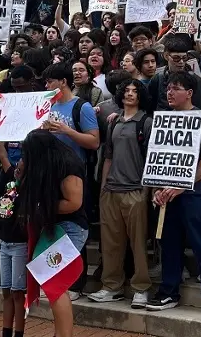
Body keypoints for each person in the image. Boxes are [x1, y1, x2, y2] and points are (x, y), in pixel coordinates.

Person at [146, 72, 201, 318]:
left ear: (190, 93)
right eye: (168, 89)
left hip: (197, 194)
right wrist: (157, 189)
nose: (169, 93)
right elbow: (158, 158)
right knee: (169, 244)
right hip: (168, 194)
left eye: (176, 88)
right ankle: (169, 292)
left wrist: (182, 186)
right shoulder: (163, 120)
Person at [88, 79, 153, 307]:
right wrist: (104, 187)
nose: (130, 94)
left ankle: (141, 288)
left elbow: (151, 159)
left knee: (138, 243)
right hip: (112, 190)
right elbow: (108, 156)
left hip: (135, 190)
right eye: (126, 91)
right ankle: (111, 286)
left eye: (135, 91)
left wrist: (145, 190)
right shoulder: (113, 123)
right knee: (110, 243)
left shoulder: (146, 122)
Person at [18, 130, 87, 335]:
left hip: (70, 227)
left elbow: (74, 202)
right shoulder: (48, 162)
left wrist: (43, 207)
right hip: (53, 226)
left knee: (55, 286)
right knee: (53, 285)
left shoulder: (68, 165)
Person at [41, 62, 99, 299]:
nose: (47, 86)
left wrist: (67, 131)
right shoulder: (47, 105)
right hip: (50, 175)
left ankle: (76, 283)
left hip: (75, 175)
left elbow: (94, 142)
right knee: (54, 228)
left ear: (63, 82)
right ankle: (55, 277)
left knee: (75, 228)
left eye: (50, 82)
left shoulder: (81, 107)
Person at [0, 158, 27, 337]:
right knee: (6, 290)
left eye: (21, 170)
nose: (16, 171)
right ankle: (5, 332)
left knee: (17, 292)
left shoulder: (29, 190)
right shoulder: (9, 188)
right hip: (4, 243)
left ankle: (19, 333)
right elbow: (3, 158)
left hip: (19, 245)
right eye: (16, 168)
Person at [148, 35, 201, 111]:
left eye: (184, 58)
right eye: (176, 58)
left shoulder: (196, 80)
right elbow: (151, 106)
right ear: (166, 56)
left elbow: (198, 109)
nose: (181, 62)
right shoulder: (157, 79)